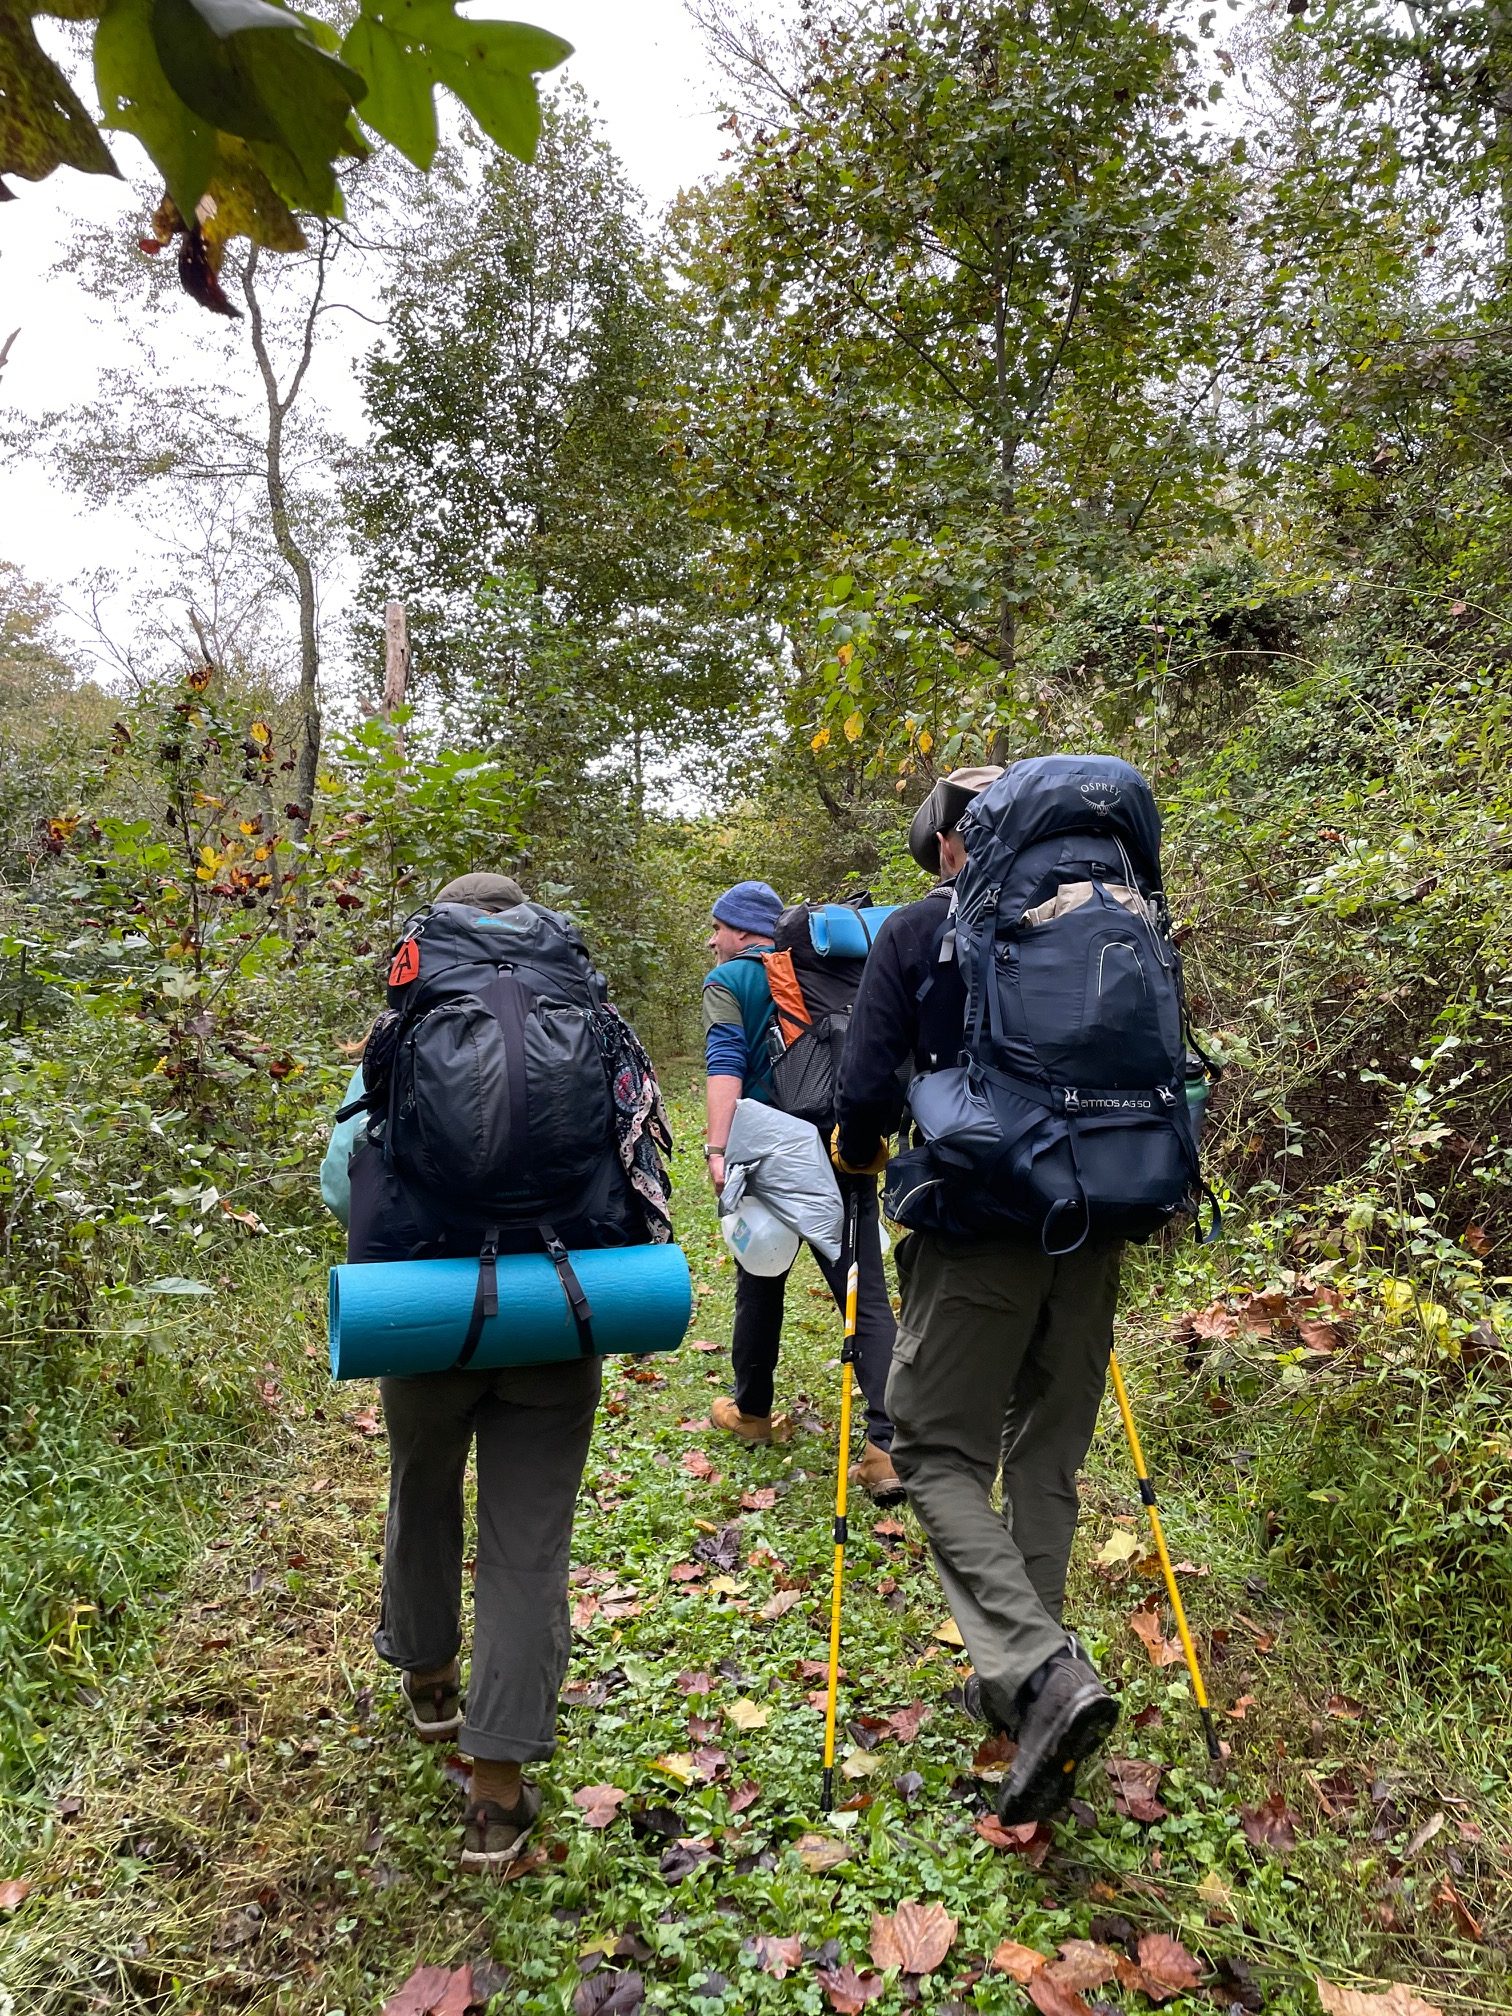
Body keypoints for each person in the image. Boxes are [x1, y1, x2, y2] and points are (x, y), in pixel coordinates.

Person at [325, 870, 668, 1872]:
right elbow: (643, 1155)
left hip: (425, 1317)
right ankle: (499, 1797)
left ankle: (431, 1683)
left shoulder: (407, 1024)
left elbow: (337, 1180)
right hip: (558, 1315)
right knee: (528, 1545)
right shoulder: (591, 1017)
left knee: (421, 1488)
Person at [834, 766, 1124, 1825]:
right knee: (1046, 1455)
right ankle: (1033, 1683)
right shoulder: (1114, 917)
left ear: (955, 843)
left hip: (982, 1228)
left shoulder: (917, 934)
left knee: (931, 1452)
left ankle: (1041, 1675)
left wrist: (860, 1155)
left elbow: (865, 1090)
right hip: (1097, 1223)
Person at [701, 878, 902, 1504]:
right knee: (861, 1284)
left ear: (740, 931)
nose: (713, 940)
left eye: (719, 928)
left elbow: (725, 1061)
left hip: (769, 1146)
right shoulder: (840, 972)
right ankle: (887, 1447)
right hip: (846, 1137)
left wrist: (716, 1146)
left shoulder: (732, 980)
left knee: (760, 1274)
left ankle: (754, 1412)